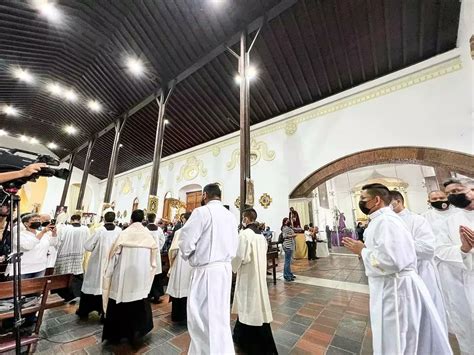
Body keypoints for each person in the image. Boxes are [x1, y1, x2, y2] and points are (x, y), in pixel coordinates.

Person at [343, 183, 451, 355]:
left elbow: (391, 261)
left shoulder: (386, 221)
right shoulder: (380, 221)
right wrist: (364, 249)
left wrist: (362, 251)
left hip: (395, 288)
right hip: (390, 286)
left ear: (376, 200)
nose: (361, 202)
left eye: (363, 198)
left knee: (398, 340)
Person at [179, 183, 239, 354]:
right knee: (220, 316)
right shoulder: (230, 216)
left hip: (206, 271)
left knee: (201, 318)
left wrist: (190, 257)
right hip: (224, 271)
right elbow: (235, 245)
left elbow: (186, 242)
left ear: (205, 195)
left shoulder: (201, 212)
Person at [390, 190, 448, 337]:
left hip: (421, 272)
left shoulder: (417, 220)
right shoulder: (387, 222)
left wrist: (399, 244)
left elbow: (428, 249)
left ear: (397, 201)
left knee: (428, 317)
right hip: (397, 276)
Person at [102, 209, 158, 345]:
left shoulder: (123, 234)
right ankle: (137, 333)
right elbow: (153, 263)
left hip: (122, 279)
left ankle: (117, 334)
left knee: (120, 306)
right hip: (140, 280)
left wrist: (108, 274)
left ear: (131, 220)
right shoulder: (148, 236)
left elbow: (113, 257)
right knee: (139, 304)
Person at [434, 178, 474, 354]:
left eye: (457, 190)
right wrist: (463, 249)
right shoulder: (450, 221)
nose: (452, 196)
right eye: (449, 194)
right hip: (466, 279)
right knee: (466, 328)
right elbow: (440, 249)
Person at [232, 208, 277, 355]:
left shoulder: (245, 235)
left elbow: (239, 256)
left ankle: (247, 342)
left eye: (243, 218)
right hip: (258, 276)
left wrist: (232, 267)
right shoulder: (261, 236)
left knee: (248, 305)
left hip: (247, 276)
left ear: (245, 219)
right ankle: (243, 338)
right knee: (256, 304)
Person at [76, 211, 121, 320]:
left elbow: (88, 246)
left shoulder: (99, 231)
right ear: (114, 219)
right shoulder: (119, 231)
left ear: (104, 219)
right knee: (108, 286)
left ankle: (85, 310)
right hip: (112, 262)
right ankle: (104, 311)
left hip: (97, 263)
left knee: (94, 285)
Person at [5, 213, 56, 279]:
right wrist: (42, 232)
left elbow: (53, 243)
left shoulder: (42, 234)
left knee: (36, 289)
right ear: (26, 224)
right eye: (35, 220)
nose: (38, 222)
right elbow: (28, 246)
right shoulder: (19, 235)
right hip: (22, 269)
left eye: (38, 220)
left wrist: (54, 233)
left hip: (40, 268)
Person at [55, 214, 90, 301]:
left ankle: (63, 295)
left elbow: (58, 241)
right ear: (80, 219)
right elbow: (88, 241)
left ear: (71, 219)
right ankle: (76, 294)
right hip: (79, 254)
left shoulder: (65, 228)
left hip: (64, 253)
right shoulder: (85, 229)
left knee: (64, 275)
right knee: (76, 274)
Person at [166, 212, 192, 323]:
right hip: (191, 264)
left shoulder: (180, 232)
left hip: (181, 262)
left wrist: (171, 262)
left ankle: (177, 315)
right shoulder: (197, 231)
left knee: (179, 288)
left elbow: (173, 250)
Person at [146, 213, 165, 304]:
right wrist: (158, 248)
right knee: (156, 276)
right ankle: (156, 296)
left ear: (147, 219)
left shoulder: (145, 230)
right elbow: (162, 241)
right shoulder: (159, 230)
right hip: (156, 255)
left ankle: (147, 296)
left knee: (148, 275)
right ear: (154, 219)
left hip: (147, 255)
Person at [281, 217, 296, 281]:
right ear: (285, 222)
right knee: (287, 262)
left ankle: (289, 274)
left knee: (289, 261)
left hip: (290, 246)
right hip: (287, 246)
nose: (289, 221)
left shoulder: (288, 228)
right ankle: (286, 276)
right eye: (287, 221)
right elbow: (284, 236)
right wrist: (293, 236)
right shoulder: (285, 228)